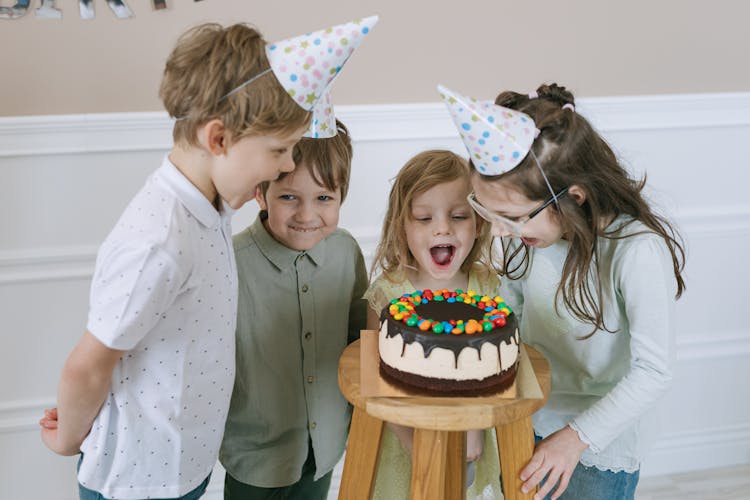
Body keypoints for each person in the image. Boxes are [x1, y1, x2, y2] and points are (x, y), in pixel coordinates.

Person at [36, 17, 365, 499]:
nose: (288, 165)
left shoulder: (209, 211)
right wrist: (68, 440)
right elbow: (87, 366)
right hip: (139, 481)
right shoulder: (159, 240)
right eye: (279, 150)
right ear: (219, 140)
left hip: (181, 468)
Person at [442, 83, 686, 500]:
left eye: (511, 216)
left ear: (573, 197)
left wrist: (574, 439)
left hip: (599, 441)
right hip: (528, 415)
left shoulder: (636, 251)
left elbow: (653, 371)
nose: (500, 230)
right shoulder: (532, 236)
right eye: (491, 214)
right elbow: (510, 312)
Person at [219, 119, 368, 500]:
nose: (306, 215)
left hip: (324, 450)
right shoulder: (228, 263)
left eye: (324, 198)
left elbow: (360, 341)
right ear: (260, 191)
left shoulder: (345, 252)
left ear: (341, 196)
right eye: (288, 197)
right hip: (255, 457)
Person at [365, 150, 503, 500]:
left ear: (480, 222)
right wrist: (415, 444)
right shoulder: (387, 294)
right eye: (424, 218)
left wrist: (475, 427)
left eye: (458, 216)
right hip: (405, 444)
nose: (442, 227)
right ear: (403, 226)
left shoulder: (487, 286)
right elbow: (372, 381)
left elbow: (501, 369)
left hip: (473, 443)